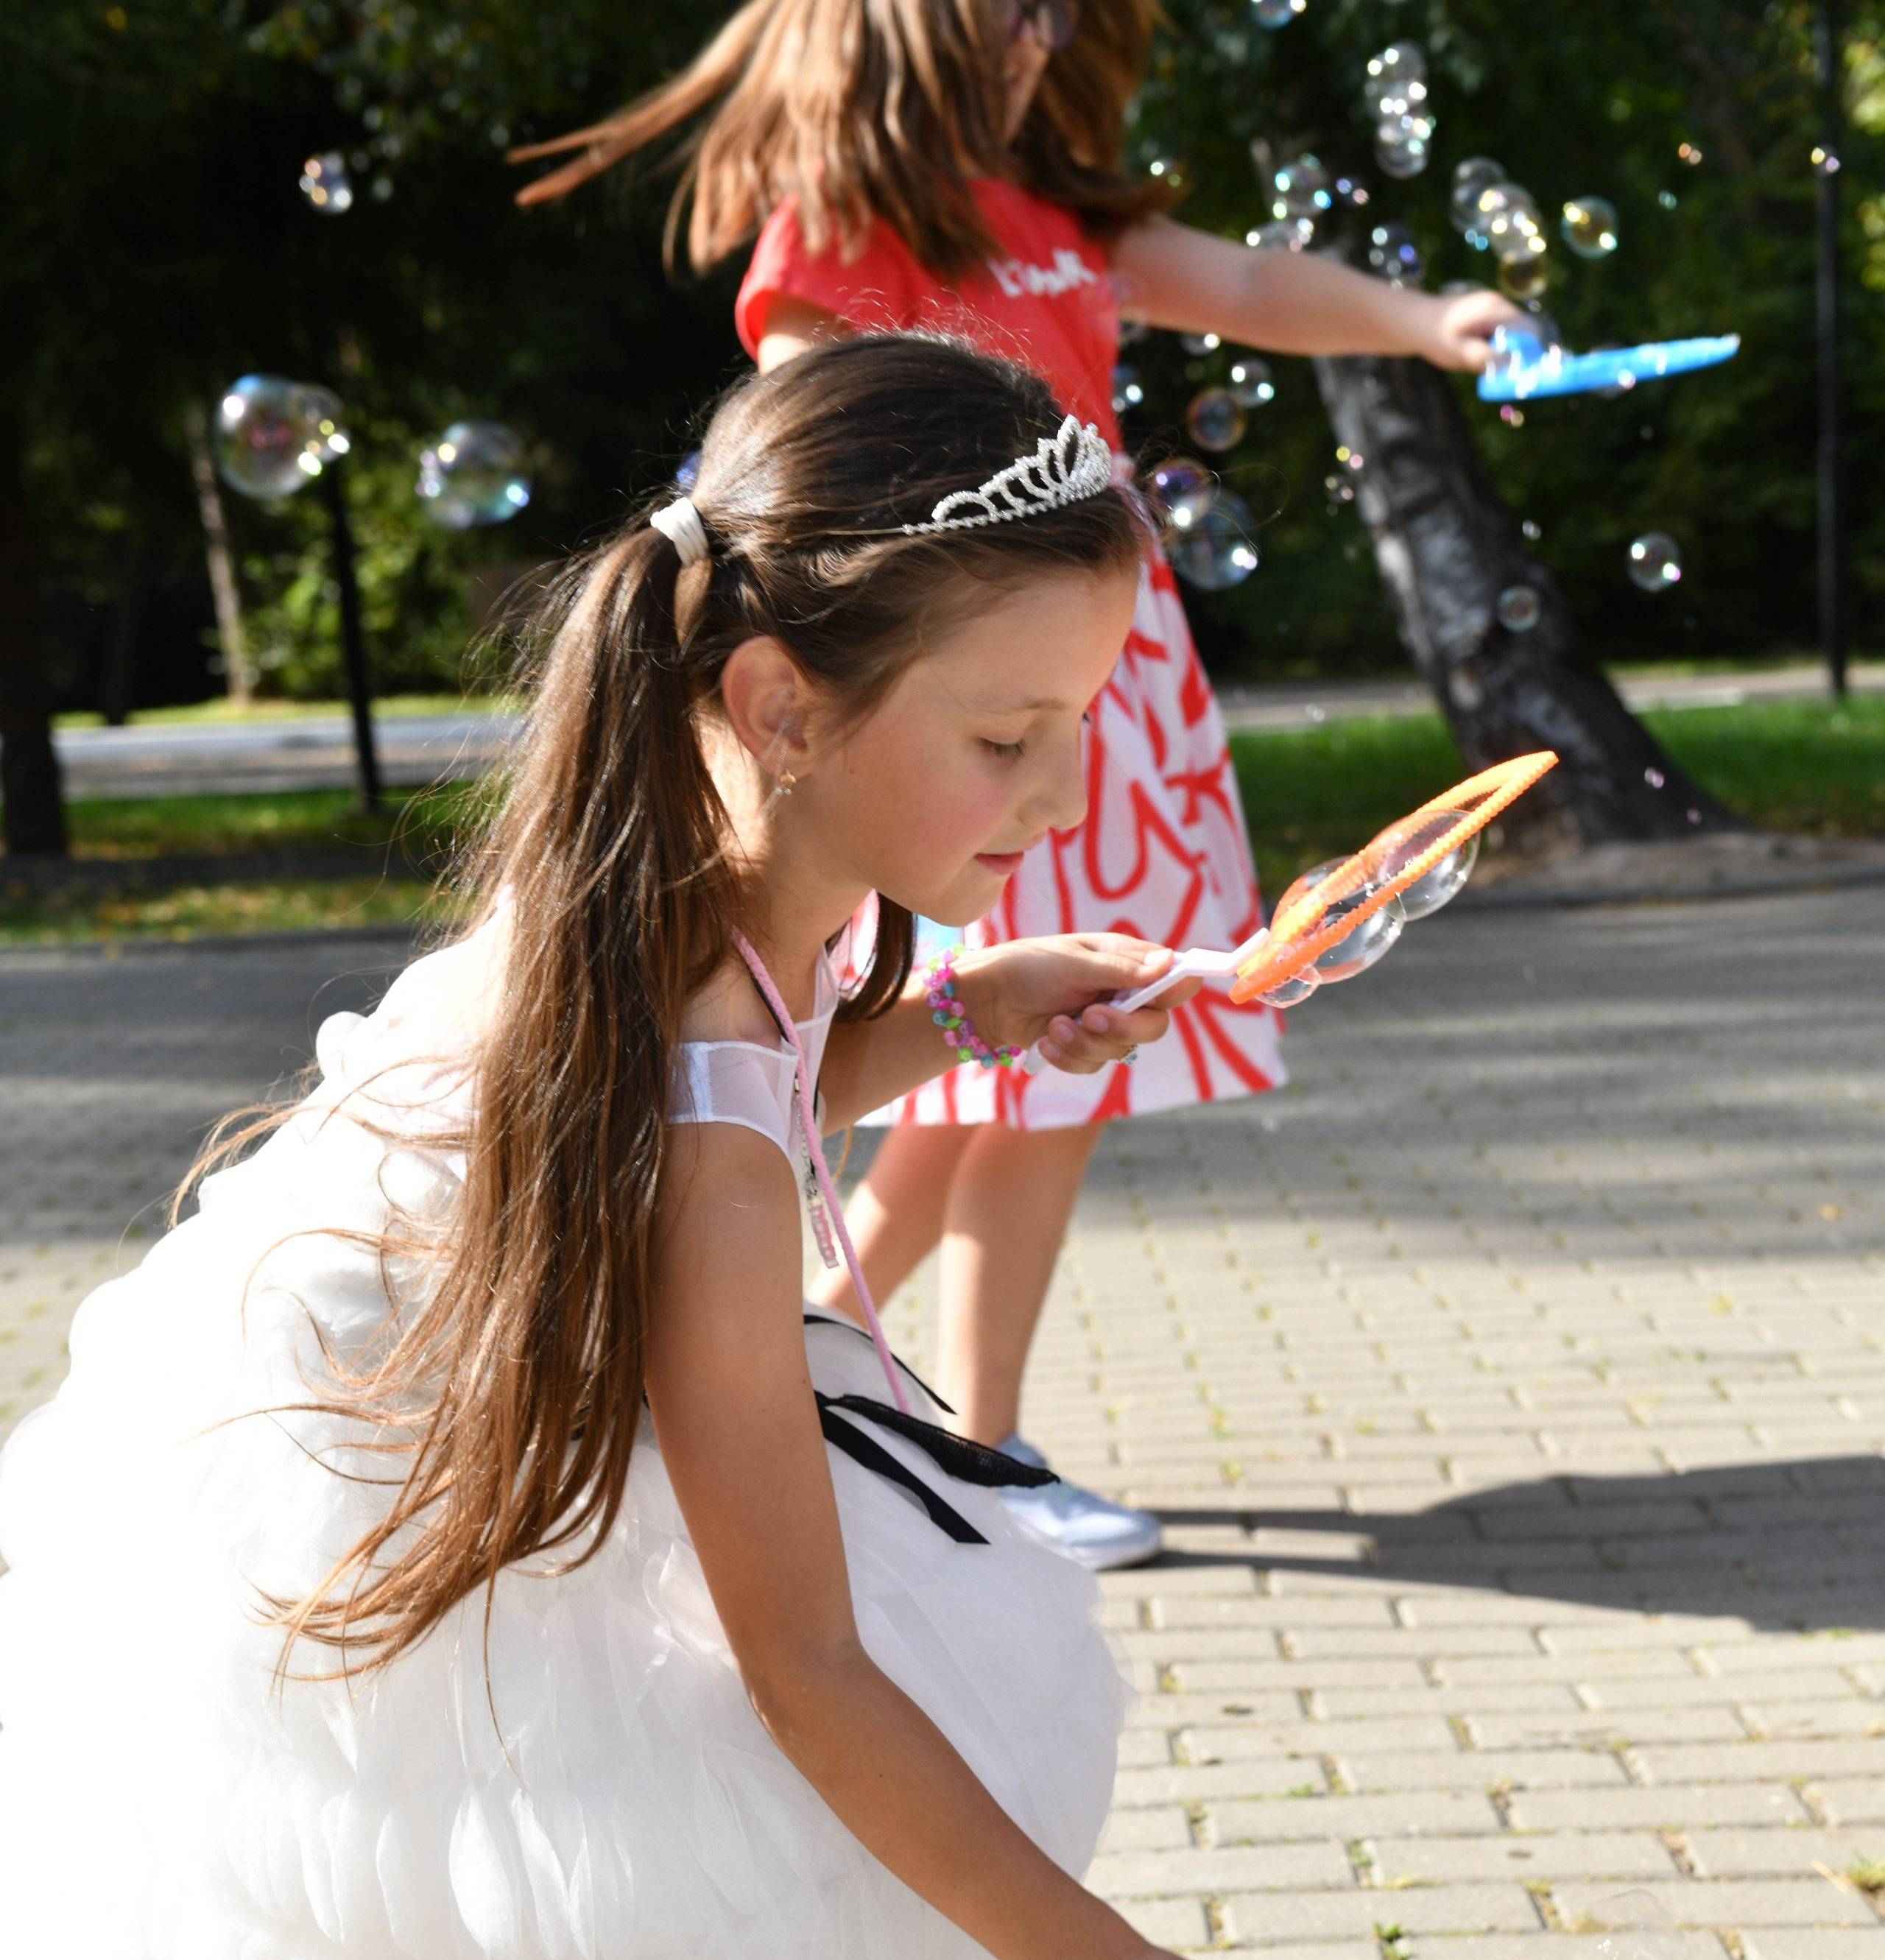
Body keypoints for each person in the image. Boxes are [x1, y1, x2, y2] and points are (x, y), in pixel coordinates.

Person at [0, 336, 1336, 1960]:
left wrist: (983, 1009)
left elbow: (799, 1063)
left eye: (1075, 724)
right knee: (774, 1801)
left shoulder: (755, 887)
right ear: (782, 708)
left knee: (912, 1721)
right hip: (384, 1485)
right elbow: (798, 1663)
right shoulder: (691, 1096)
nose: (1068, 796)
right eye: (1010, 738)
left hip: (564, 1399)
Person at [515, 0, 1517, 1570]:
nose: (1037, 39)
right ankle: (972, 1438)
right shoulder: (846, 220)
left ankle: (836, 1383)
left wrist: (1426, 318)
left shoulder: (1057, 207)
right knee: (1036, 1081)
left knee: (1011, 1077)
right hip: (955, 700)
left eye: (1061, 10)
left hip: (1101, 694)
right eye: (1005, 7)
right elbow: (789, 475)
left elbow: (1249, 282)